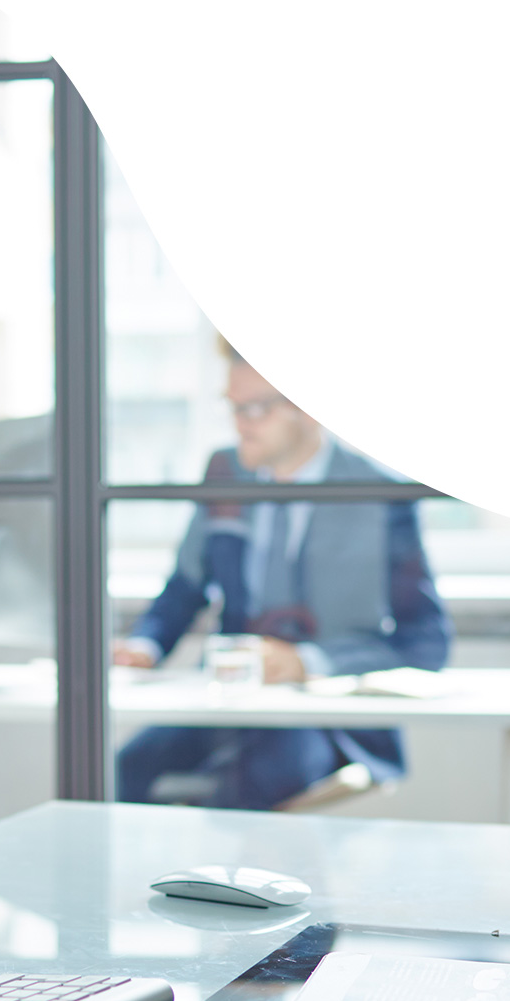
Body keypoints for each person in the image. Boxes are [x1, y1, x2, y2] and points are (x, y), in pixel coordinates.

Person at [114, 346, 451, 809]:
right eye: (233, 406)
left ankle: (222, 882)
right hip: (229, 702)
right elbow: (185, 587)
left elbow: (426, 642)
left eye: (256, 408)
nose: (240, 423)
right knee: (128, 765)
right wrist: (145, 646)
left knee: (252, 779)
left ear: (310, 409)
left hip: (328, 720)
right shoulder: (225, 472)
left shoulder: (380, 495)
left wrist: (308, 662)